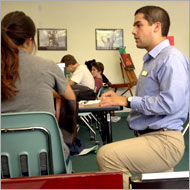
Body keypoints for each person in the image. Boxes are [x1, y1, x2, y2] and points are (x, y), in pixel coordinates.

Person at [96, 6, 189, 189]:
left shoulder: (171, 58)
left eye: (138, 25)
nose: (133, 31)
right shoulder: (152, 59)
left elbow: (170, 103)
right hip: (151, 136)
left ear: (156, 27)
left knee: (107, 156)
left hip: (164, 140)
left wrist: (126, 100)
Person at [1, 11, 77, 162]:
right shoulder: (47, 66)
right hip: (47, 159)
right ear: (29, 40)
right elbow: (71, 99)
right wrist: (65, 138)